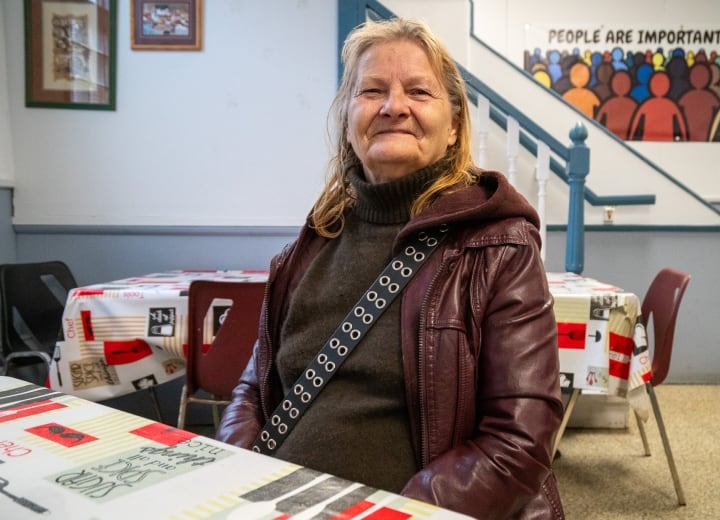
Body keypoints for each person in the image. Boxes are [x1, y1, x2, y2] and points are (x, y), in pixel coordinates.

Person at [216, 17, 564, 519]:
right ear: (348, 121)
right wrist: (239, 471)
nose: (392, 106)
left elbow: (518, 440)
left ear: (454, 129)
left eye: (418, 92)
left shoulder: (498, 247)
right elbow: (254, 386)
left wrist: (394, 513)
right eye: (371, 90)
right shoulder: (311, 245)